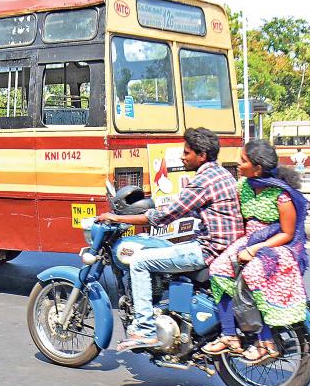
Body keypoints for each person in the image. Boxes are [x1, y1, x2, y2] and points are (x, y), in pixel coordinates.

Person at [98, 128, 243, 351]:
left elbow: (163, 217)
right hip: (226, 249)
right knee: (164, 248)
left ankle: (144, 329)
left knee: (140, 261)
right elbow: (189, 208)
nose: (182, 157)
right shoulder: (223, 174)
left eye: (186, 153)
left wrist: (117, 216)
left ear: (201, 155)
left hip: (207, 251)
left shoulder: (203, 180)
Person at [203, 140, 309, 364]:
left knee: (252, 275)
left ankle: (266, 341)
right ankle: (229, 334)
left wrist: (255, 249)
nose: (238, 164)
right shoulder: (243, 187)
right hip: (248, 240)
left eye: (243, 161)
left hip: (276, 246)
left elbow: (287, 233)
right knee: (218, 269)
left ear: (257, 168)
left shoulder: (281, 196)